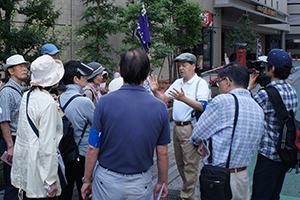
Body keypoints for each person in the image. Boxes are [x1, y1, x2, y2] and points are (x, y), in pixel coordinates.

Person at [81, 48, 171, 200]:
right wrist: (162, 181)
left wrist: (87, 179)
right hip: (140, 181)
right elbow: (162, 152)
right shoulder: (159, 107)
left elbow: (93, 146)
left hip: (106, 180)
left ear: (120, 71)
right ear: (147, 73)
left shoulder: (104, 102)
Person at [190, 62, 264, 200]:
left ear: (228, 81)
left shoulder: (223, 101)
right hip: (242, 177)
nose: (220, 86)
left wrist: (202, 143)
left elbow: (196, 135)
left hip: (219, 178)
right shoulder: (257, 108)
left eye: (220, 82)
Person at [149, 52, 209, 199]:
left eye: (184, 65)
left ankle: (186, 196)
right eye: (179, 66)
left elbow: (202, 106)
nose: (181, 68)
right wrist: (155, 91)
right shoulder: (178, 82)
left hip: (190, 127)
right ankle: (187, 191)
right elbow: (165, 98)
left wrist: (183, 98)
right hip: (176, 127)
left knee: (190, 164)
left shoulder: (200, 83)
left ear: (194, 66)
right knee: (180, 162)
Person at [11, 55, 65, 199]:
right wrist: (51, 180)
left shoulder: (27, 96)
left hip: (26, 166)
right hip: (41, 171)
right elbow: (48, 144)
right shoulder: (47, 102)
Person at [249, 49, 298, 200]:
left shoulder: (265, 94)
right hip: (285, 153)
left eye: (266, 66)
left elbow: (248, 109)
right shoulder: (292, 91)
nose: (264, 69)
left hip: (269, 154)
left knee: (261, 195)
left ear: (273, 69)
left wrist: (249, 88)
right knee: (274, 195)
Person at [58, 61, 95, 200]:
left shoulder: (58, 99)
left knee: (65, 193)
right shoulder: (84, 102)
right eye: (83, 76)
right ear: (75, 79)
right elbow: (98, 125)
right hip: (83, 155)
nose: (85, 78)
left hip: (64, 153)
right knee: (85, 193)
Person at [0, 54, 29, 200]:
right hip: (12, 139)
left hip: (19, 139)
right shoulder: (7, 92)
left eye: (25, 66)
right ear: (11, 71)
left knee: (20, 181)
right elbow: (4, 120)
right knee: (13, 183)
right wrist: (10, 146)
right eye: (20, 66)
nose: (25, 69)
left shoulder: (20, 89)